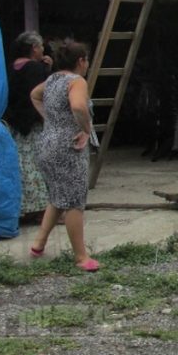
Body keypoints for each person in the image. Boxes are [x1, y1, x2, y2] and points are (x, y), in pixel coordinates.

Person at [29, 41, 101, 272]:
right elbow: (79, 107)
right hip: (68, 146)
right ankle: (81, 257)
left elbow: (34, 95)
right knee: (74, 202)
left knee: (58, 195)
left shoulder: (52, 80)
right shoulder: (76, 81)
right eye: (86, 59)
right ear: (81, 61)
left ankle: (38, 244)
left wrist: (51, 119)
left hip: (47, 143)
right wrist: (86, 129)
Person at [4, 31, 52, 219]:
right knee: (38, 165)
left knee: (22, 165)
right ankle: (41, 210)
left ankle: (25, 208)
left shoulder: (12, 67)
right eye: (40, 46)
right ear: (34, 48)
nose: (42, 50)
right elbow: (43, 94)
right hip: (32, 124)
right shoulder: (34, 68)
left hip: (15, 124)